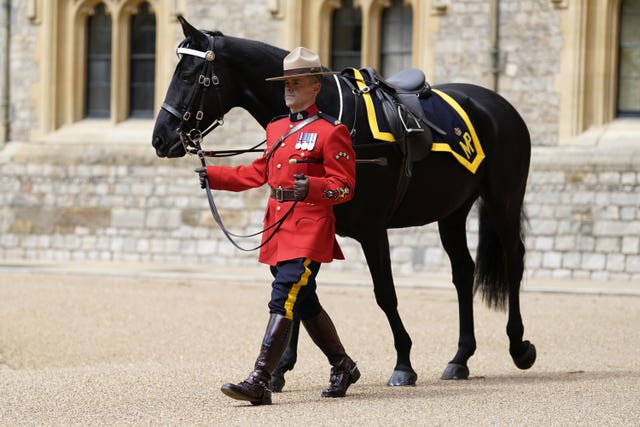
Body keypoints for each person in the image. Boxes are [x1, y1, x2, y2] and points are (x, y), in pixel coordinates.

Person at [195, 47, 359, 405]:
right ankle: (343, 364)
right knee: (303, 301)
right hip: (278, 226)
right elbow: (259, 173)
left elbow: (345, 187)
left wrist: (312, 187)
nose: (289, 89)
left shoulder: (332, 131)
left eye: (296, 82)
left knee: (283, 297)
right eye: (286, 82)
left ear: (315, 86)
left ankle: (260, 379)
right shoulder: (276, 128)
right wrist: (214, 175)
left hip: (310, 227)